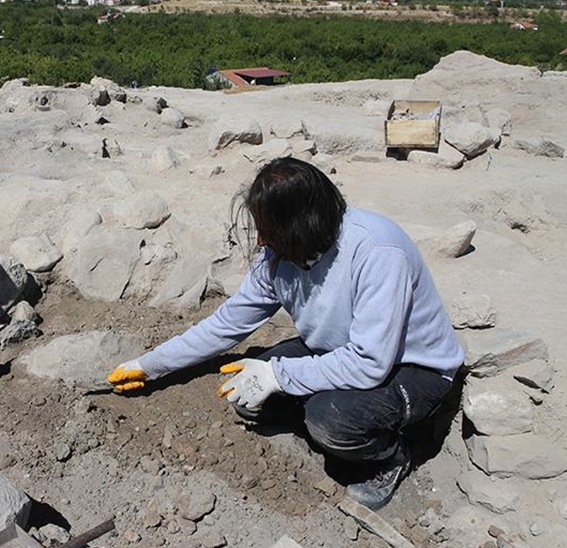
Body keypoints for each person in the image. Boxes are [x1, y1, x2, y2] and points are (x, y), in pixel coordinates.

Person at [107, 157, 465, 509]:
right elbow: (228, 322)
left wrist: (279, 375)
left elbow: (370, 362)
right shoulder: (281, 253)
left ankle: (391, 456)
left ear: (303, 223)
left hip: (411, 368)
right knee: (245, 396)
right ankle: (320, 422)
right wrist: (150, 364)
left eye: (270, 231)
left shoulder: (377, 250)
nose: (262, 241)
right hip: (335, 351)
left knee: (333, 420)